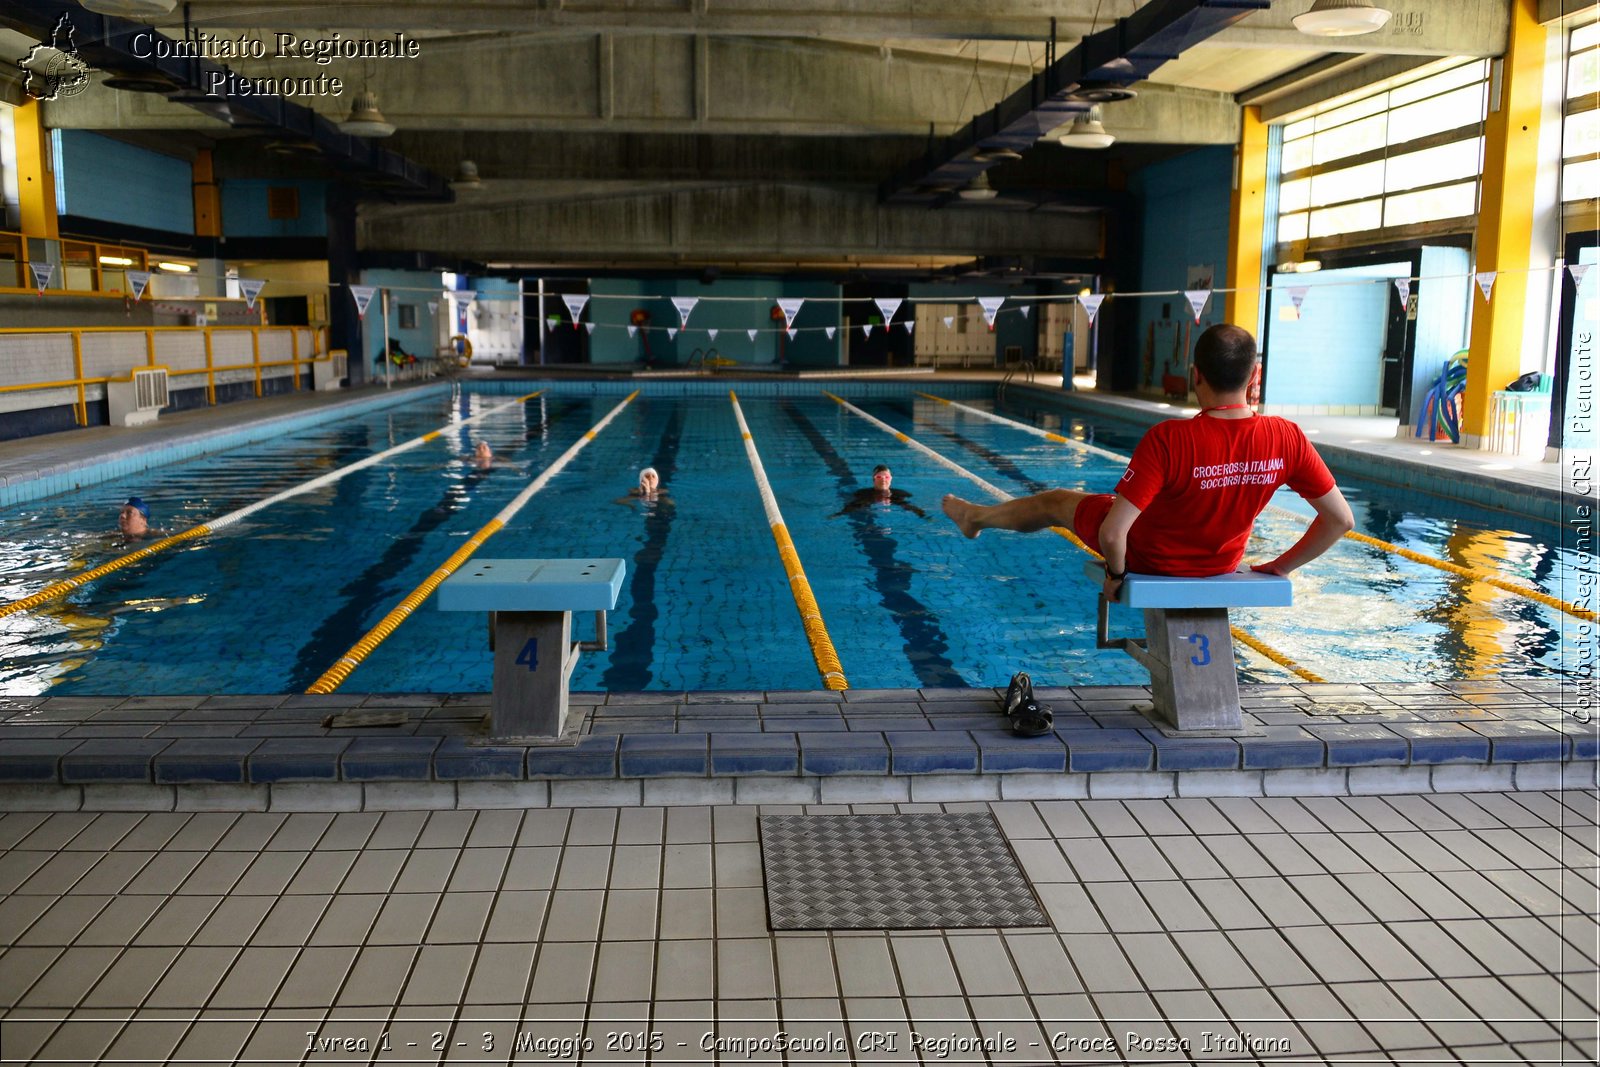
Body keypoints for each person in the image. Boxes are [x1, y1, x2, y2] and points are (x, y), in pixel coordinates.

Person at [941, 324, 1355, 606]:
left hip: (1151, 558)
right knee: (1110, 502)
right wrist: (1279, 567)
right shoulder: (1287, 437)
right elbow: (1340, 520)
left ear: (1195, 375)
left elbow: (1114, 533)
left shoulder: (1171, 438)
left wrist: (1116, 578)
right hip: (1220, 564)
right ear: (1255, 375)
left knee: (1057, 501)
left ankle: (976, 517)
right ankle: (977, 517)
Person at [832, 464, 927, 518]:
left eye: (886, 477)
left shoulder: (901, 494)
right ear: (874, 479)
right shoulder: (862, 494)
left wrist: (924, 516)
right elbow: (850, 508)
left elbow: (913, 509)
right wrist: (838, 515)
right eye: (879, 477)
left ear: (891, 479)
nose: (883, 479)